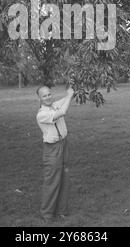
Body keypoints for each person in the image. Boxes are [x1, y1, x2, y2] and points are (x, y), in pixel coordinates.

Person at [36, 85, 74, 223]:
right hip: (52, 149)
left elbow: (65, 100)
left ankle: (62, 211)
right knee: (52, 181)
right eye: (44, 96)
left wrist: (71, 88)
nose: (48, 97)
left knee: (64, 177)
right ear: (39, 98)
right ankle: (47, 214)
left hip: (64, 144)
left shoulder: (54, 105)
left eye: (49, 94)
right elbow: (62, 112)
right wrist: (69, 96)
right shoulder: (41, 114)